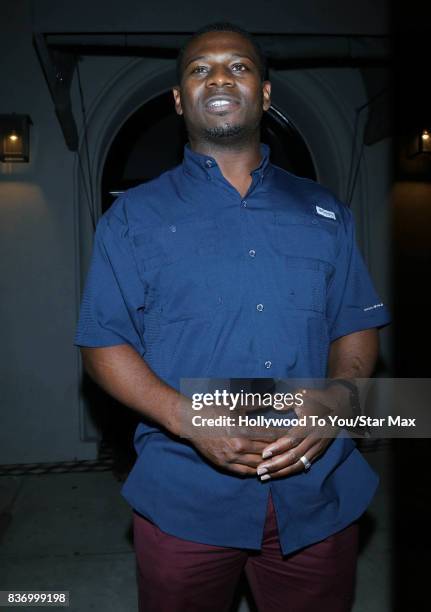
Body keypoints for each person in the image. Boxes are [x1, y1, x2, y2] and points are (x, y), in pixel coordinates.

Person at [75, 22, 391, 612]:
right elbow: (102, 344)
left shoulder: (327, 213)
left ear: (265, 93)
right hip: (186, 498)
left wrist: (339, 399)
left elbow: (355, 324)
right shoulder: (131, 218)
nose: (219, 77)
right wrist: (188, 418)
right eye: (199, 68)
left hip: (315, 493)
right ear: (179, 99)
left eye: (238, 66)